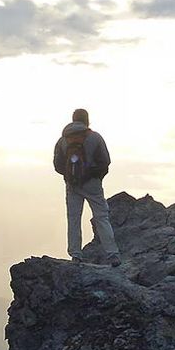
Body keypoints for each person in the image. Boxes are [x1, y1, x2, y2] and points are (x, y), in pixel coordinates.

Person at [53, 108, 121, 267]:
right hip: (93, 184)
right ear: (87, 120)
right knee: (101, 217)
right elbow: (105, 161)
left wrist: (70, 176)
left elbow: (57, 165)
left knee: (74, 218)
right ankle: (113, 255)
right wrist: (94, 176)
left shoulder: (63, 140)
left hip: (72, 185)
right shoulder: (95, 137)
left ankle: (76, 255)